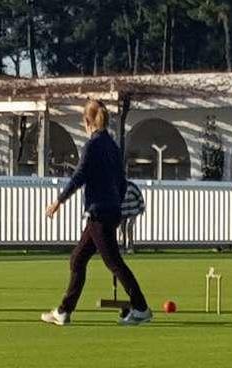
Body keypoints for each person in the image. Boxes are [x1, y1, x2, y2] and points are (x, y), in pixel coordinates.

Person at [42, 100, 152, 326]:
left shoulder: (92, 146)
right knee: (78, 258)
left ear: (86, 121)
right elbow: (122, 182)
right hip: (109, 211)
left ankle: (141, 307)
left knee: (113, 262)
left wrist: (58, 201)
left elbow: (79, 176)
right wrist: (116, 205)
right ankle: (64, 311)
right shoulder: (112, 146)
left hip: (99, 212)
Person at [119, 179, 145, 254]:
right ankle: (123, 246)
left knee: (129, 226)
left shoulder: (132, 186)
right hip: (122, 211)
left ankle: (131, 246)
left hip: (133, 210)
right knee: (122, 228)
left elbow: (139, 196)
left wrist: (141, 207)